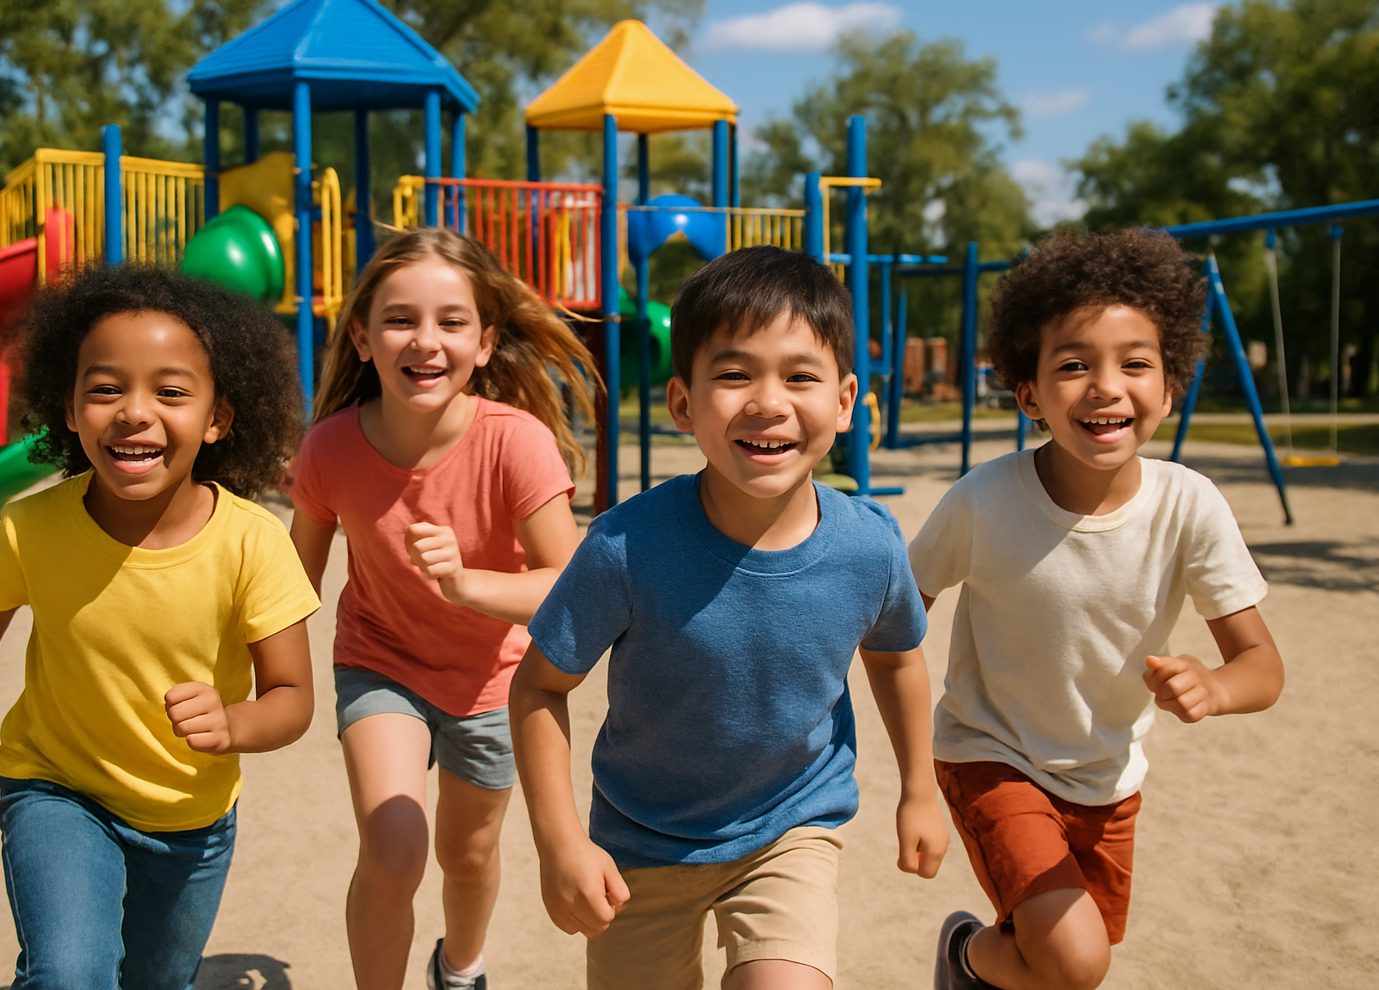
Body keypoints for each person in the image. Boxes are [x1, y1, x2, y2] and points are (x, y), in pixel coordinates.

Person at [511, 245, 947, 990]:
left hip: (791, 826)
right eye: (735, 373)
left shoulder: (869, 546)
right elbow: (538, 688)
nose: (767, 401)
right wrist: (559, 845)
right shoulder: (624, 545)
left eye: (799, 376)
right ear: (682, 403)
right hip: (641, 842)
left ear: (844, 402)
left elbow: (897, 655)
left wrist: (919, 787)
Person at [0, 264, 322, 990]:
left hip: (191, 819)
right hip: (56, 789)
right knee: (69, 975)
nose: (134, 412)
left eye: (171, 391)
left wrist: (235, 723)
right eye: (106, 388)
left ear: (218, 419)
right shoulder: (30, 528)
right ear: (68, 407)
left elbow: (293, 696)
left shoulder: (254, 544)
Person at [913, 228, 1285, 990]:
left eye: (1134, 364)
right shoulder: (983, 501)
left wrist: (1214, 688)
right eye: (1074, 365)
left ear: (1170, 387)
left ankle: (971, 965)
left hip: (1108, 779)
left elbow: (1263, 666)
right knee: (1077, 961)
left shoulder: (1190, 506)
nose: (1106, 386)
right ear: (1030, 395)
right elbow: (896, 609)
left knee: (1057, 965)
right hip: (991, 754)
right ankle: (962, 957)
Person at [287, 227, 599, 990]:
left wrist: (469, 586)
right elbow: (290, 585)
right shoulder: (326, 451)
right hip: (380, 664)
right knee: (394, 849)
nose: (425, 341)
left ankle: (460, 969)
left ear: (486, 343)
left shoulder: (516, 444)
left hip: (494, 682)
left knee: (469, 854)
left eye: (451, 322)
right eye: (399, 319)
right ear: (361, 337)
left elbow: (573, 586)